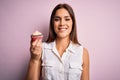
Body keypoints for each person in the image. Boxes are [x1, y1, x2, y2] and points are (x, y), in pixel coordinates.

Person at [26, 3, 90, 80]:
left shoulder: (83, 52)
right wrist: (34, 59)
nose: (62, 23)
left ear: (72, 23)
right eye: (57, 19)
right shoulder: (41, 49)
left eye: (67, 19)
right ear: (52, 23)